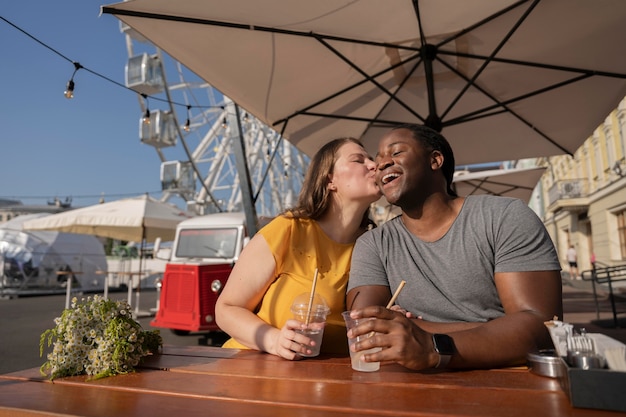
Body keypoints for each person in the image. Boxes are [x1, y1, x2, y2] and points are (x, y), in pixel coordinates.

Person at [346, 124, 563, 371]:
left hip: (508, 382)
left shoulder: (505, 217)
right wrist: (497, 325)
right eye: (379, 158)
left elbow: (540, 326)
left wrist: (431, 344)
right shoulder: (372, 244)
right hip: (411, 390)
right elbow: (366, 330)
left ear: (435, 160)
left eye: (395, 153)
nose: (382, 164)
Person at [215, 137, 381, 360]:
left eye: (371, 160)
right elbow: (226, 309)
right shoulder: (289, 229)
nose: (373, 165)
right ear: (329, 179)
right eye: (358, 160)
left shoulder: (375, 246)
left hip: (327, 382)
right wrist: (274, 340)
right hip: (254, 369)